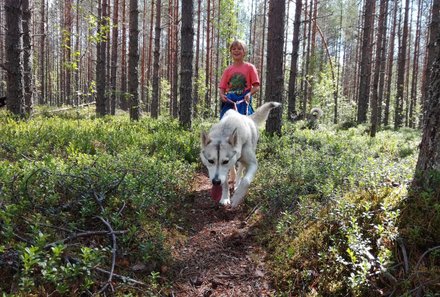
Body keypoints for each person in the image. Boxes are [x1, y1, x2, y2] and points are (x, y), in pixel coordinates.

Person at [219, 39, 260, 118]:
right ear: (230, 52)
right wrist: (222, 95)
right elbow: (222, 88)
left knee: (245, 123)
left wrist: (249, 94)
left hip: (243, 101)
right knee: (225, 122)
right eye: (233, 49)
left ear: (244, 52)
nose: (236, 51)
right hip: (230, 101)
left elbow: (256, 86)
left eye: (239, 49)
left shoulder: (250, 68)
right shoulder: (227, 70)